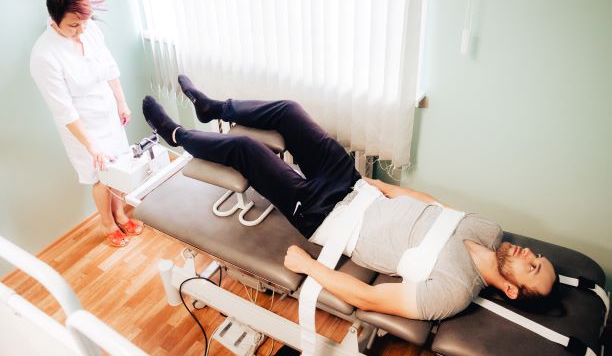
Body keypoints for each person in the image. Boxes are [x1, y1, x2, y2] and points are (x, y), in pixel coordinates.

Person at [142, 74, 557, 320]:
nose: (528, 254)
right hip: (354, 186)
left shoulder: (453, 292)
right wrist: (384, 187)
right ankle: (214, 107)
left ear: (512, 290)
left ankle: (176, 135)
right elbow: (433, 205)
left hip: (326, 216)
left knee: (246, 150)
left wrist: (307, 265)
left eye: (533, 267)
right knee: (289, 111)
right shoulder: (490, 230)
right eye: (537, 256)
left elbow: (368, 297)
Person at [30, 0, 143, 247]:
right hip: (81, 125)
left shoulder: (90, 29)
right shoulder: (44, 55)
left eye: (84, 22)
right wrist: (91, 146)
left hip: (107, 111)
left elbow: (109, 67)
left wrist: (121, 102)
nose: (81, 29)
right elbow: (63, 109)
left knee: (118, 167)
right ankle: (107, 223)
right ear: (54, 19)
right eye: (73, 25)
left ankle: (120, 214)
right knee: (101, 176)